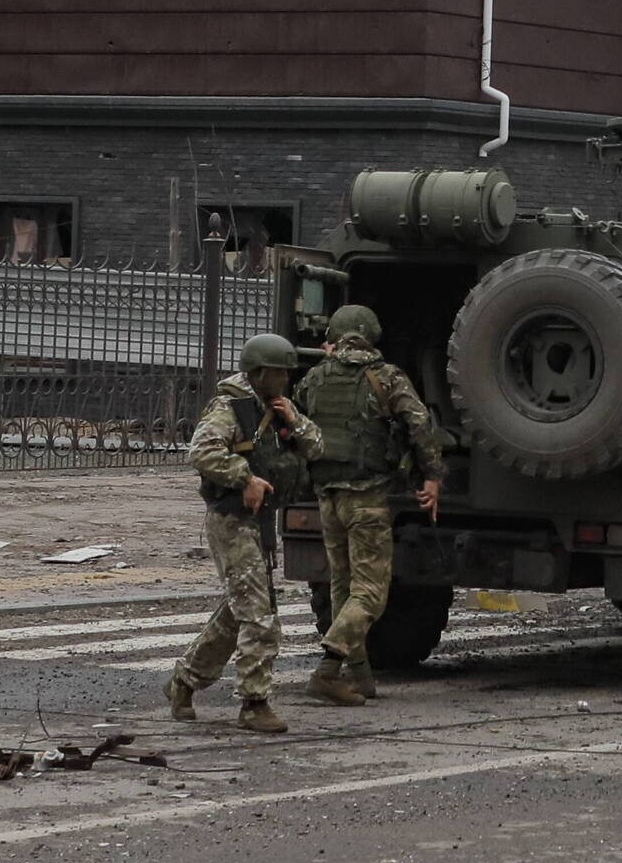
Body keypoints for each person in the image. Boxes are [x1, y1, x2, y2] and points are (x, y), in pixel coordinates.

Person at [167, 333, 323, 735]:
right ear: (259, 372)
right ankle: (254, 703)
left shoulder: (277, 408)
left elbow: (318, 447)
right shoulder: (230, 407)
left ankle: (184, 681)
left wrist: (295, 420)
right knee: (258, 615)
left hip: (261, 522)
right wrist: (245, 477)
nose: (286, 379)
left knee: (238, 613)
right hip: (233, 519)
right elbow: (202, 452)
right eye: (279, 372)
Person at [293, 303, 443, 707]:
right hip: (367, 498)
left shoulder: (314, 378)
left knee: (342, 586)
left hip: (328, 497)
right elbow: (419, 424)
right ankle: (329, 667)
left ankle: (360, 677)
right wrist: (431, 476)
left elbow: (297, 416)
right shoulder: (386, 377)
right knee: (372, 593)